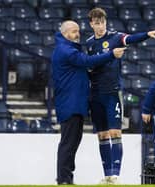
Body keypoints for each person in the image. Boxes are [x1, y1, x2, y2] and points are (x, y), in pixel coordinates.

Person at [85, 7, 155, 184]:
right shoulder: (89, 43)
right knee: (102, 136)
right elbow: (89, 66)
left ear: (106, 22)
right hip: (95, 94)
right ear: (91, 24)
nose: (100, 26)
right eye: (97, 23)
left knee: (115, 133)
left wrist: (147, 34)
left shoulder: (114, 37)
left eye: (103, 22)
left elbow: (130, 38)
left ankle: (116, 175)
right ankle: (107, 176)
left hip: (112, 93)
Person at [51, 20, 126, 184]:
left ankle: (66, 178)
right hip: (70, 103)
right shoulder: (66, 50)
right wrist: (111, 54)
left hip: (73, 103)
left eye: (77, 31)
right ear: (64, 33)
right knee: (68, 143)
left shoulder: (67, 48)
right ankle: (63, 179)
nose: (77, 34)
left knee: (71, 143)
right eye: (73, 31)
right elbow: (86, 61)